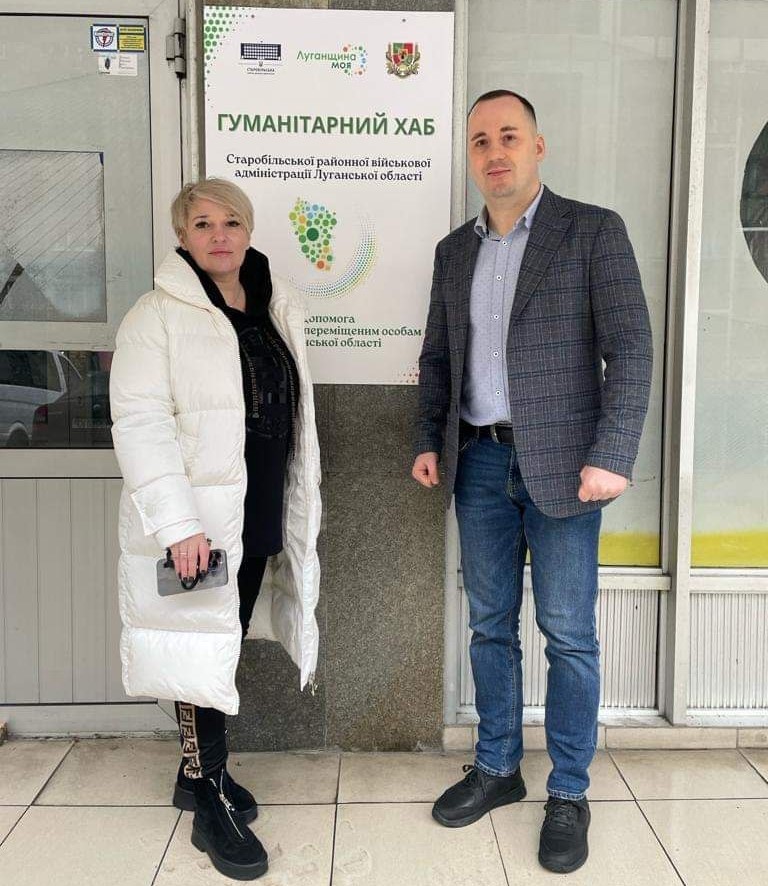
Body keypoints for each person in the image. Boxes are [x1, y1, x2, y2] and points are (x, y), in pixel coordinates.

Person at [412, 90, 652, 874]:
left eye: (508, 136)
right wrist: (428, 440)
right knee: (489, 625)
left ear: (538, 146)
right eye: (480, 141)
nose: (494, 152)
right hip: (478, 463)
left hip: (568, 470)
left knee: (568, 633)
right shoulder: (455, 251)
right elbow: (438, 358)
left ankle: (570, 791)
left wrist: (613, 452)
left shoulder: (592, 231)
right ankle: (498, 767)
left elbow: (631, 349)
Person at [110, 178, 321, 881]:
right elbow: (140, 425)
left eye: (231, 221)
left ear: (249, 230)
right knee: (200, 642)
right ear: (182, 237)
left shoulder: (271, 305)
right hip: (197, 523)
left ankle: (196, 773)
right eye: (202, 224)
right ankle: (208, 797)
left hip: (254, 510)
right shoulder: (156, 316)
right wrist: (178, 526)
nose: (219, 235)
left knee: (217, 639)